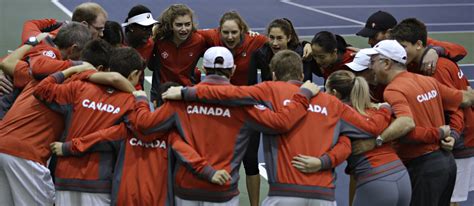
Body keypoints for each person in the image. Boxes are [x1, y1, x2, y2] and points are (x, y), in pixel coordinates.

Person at [163, 50, 398, 206]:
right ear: (300, 73)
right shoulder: (332, 102)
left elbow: (229, 93)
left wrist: (187, 92)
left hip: (283, 195)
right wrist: (386, 108)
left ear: (274, 74)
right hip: (324, 196)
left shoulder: (270, 89)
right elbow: (370, 129)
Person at [139, 47, 319, 206]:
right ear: (232, 70)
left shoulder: (178, 100)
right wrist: (302, 95)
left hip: (186, 188)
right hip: (222, 191)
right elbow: (281, 123)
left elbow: (145, 126)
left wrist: (139, 98)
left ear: (203, 69)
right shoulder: (245, 107)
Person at [0, 31, 132, 205]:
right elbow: (114, 79)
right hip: (27, 155)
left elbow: (8, 63)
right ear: (99, 69)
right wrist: (137, 94)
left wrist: (34, 44)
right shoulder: (80, 85)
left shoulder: (43, 73)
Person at [358, 39, 474, 206]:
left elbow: (406, 126)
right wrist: (452, 132)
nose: (370, 67)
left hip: (423, 168)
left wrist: (377, 140)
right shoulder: (427, 80)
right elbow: (462, 100)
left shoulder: (393, 90)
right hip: (446, 163)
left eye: (373, 62)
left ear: (386, 63)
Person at [33, 47, 143, 205]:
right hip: (97, 183)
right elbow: (118, 134)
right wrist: (139, 97)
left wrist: (75, 71)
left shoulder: (80, 87)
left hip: (64, 177)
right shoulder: (132, 104)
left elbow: (42, 89)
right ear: (135, 74)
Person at [390, 18, 474, 206]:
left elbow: (456, 107)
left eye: (403, 47)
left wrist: (453, 134)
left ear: (419, 45)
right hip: (450, 137)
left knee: (451, 199)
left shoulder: (436, 69)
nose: (400, 53)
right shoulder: (417, 61)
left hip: (461, 138)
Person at [356, 10, 467, 75]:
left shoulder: (414, 43)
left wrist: (435, 50)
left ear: (389, 33)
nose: (370, 41)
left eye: (373, 36)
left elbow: (461, 50)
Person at [149, 4, 207, 105]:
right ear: (171, 25)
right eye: (179, 25)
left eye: (187, 24)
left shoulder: (199, 41)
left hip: (185, 94)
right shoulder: (158, 40)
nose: (184, 29)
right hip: (160, 95)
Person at [248, 18, 315, 84]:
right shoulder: (262, 54)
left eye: (279, 38)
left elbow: (306, 84)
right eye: (271, 37)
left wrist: (306, 43)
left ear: (288, 38)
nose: (274, 43)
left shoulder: (301, 55)